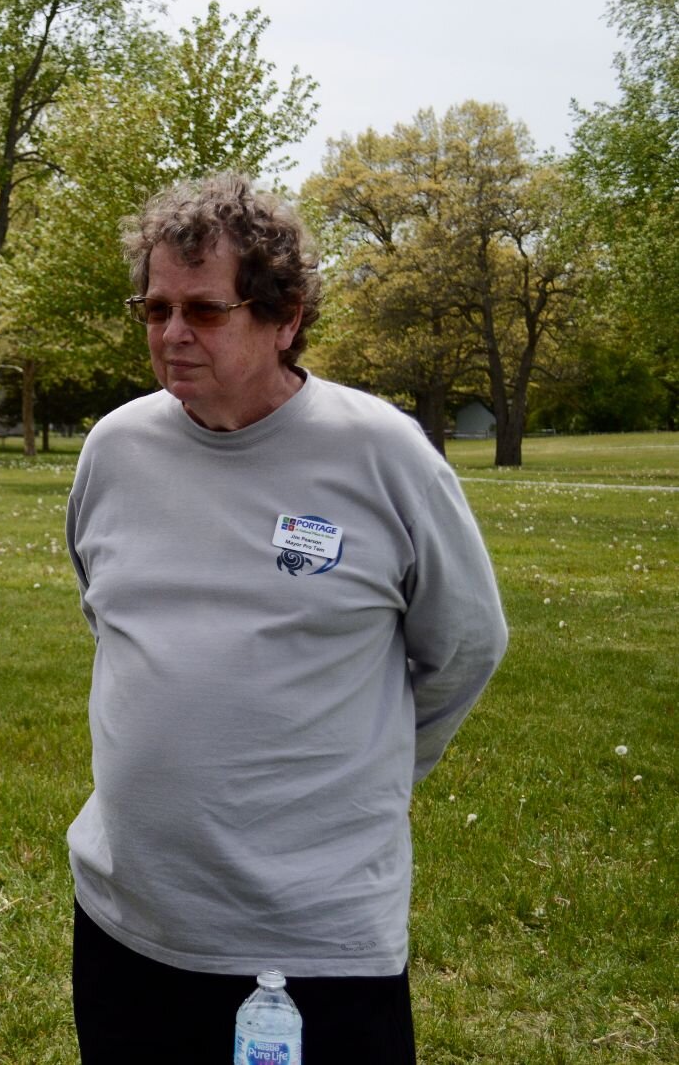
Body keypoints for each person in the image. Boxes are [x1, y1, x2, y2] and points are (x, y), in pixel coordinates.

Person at [64, 173, 508, 1064]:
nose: (171, 333)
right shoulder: (114, 449)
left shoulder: (381, 455)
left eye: (203, 309)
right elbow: (110, 617)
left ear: (286, 315)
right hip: (127, 922)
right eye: (153, 309)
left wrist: (361, 775)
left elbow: (464, 648)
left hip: (314, 943)